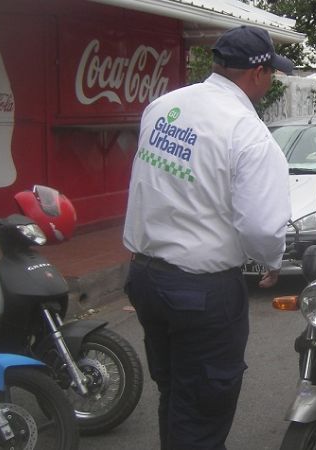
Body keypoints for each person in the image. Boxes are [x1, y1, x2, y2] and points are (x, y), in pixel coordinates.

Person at [122, 25, 292, 450]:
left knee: (176, 394)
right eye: (271, 72)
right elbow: (262, 229)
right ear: (257, 73)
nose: (271, 80)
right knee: (201, 410)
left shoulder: (162, 107)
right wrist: (270, 261)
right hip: (201, 291)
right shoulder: (248, 133)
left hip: (144, 277)